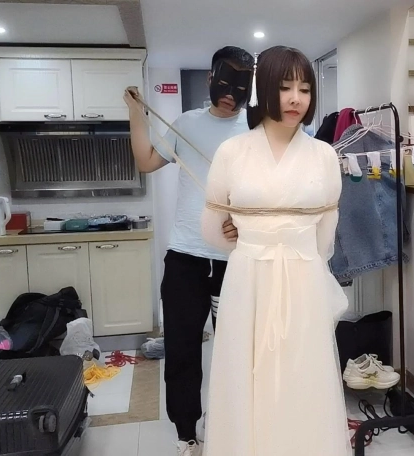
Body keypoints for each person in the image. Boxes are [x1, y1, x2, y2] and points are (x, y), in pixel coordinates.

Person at [201, 45, 351, 456]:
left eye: (304, 89)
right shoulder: (232, 151)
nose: (295, 98)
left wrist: (282, 245)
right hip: (248, 279)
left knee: (303, 377)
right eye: (285, 87)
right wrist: (250, 239)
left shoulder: (324, 155)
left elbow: (325, 238)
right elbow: (211, 230)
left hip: (303, 280)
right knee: (245, 377)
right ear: (265, 88)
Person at [123, 46, 255, 456]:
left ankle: (235, 425)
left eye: (241, 86)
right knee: (182, 350)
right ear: (210, 79)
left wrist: (247, 222)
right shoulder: (186, 123)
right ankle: (186, 434)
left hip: (238, 260)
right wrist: (136, 113)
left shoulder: (256, 128)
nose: (231, 94)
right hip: (186, 258)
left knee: (240, 351)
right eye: (225, 83)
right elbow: (146, 162)